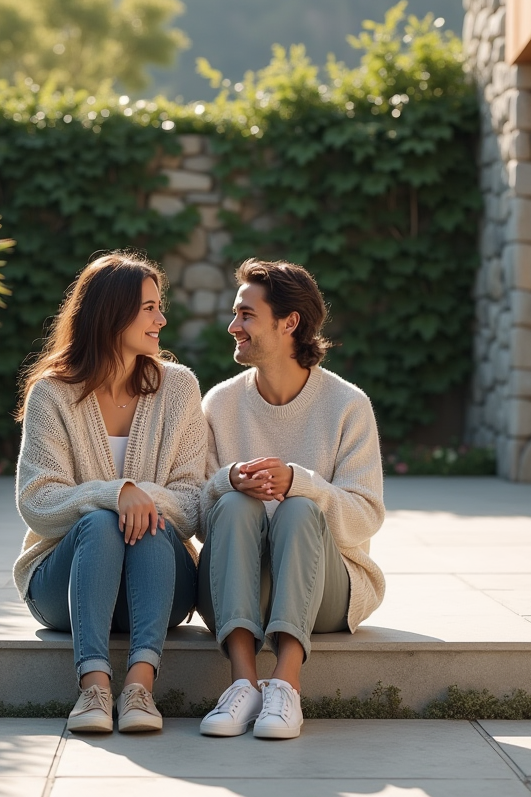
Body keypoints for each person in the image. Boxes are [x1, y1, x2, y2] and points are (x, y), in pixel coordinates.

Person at [14, 252, 206, 734]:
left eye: (160, 307)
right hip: (67, 583)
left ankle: (140, 688)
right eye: (149, 308)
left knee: (149, 523)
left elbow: (192, 504)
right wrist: (114, 493)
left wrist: (140, 499)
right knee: (100, 520)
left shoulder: (178, 388)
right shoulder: (52, 393)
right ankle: (94, 688)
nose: (161, 319)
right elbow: (37, 500)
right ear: (111, 312)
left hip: (158, 582)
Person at [197, 259, 385, 740]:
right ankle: (242, 683)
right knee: (235, 503)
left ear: (289, 322)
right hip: (238, 587)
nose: (232, 325)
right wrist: (229, 480)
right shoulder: (219, 403)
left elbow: (365, 517)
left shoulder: (347, 405)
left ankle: (286, 683)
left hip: (324, 592)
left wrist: (301, 482)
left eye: (246, 314)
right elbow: (196, 510)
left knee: (301, 506)